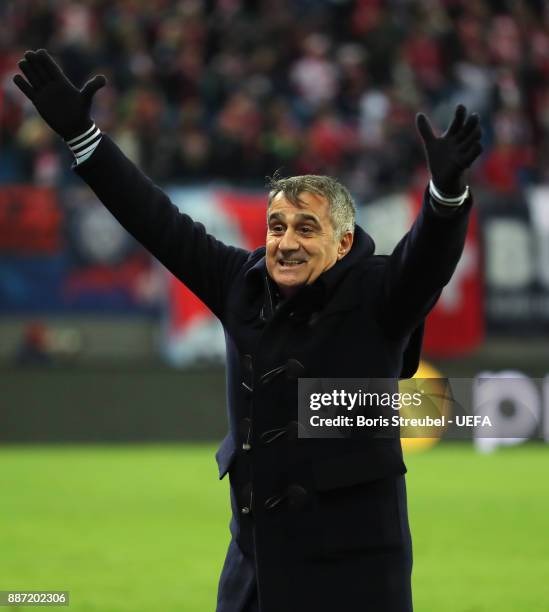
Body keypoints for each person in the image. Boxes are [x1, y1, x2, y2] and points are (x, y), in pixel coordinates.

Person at [13, 49, 482, 612]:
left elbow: (426, 261)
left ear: (344, 243)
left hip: (355, 578)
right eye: (277, 226)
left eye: (307, 228)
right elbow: (155, 219)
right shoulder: (240, 281)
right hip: (255, 577)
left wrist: (446, 196)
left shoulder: (378, 295)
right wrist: (84, 137)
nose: (286, 242)